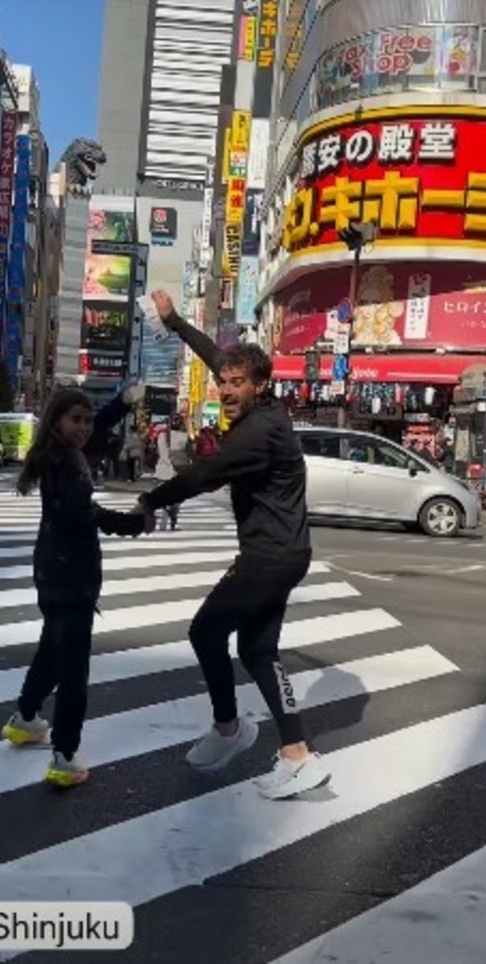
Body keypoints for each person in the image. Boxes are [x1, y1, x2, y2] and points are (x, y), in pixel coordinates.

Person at [134, 290, 331, 800]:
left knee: (205, 632)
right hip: (285, 553)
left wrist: (151, 501)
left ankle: (231, 729)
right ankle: (296, 754)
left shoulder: (257, 433)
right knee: (259, 649)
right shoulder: (265, 412)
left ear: (260, 386)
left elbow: (203, 474)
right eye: (223, 383)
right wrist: (175, 320)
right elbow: (214, 355)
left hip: (268, 557)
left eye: (236, 383)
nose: (225, 389)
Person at [1, 385, 152, 787]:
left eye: (86, 419)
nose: (85, 427)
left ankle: (26, 718)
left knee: (53, 649)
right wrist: (137, 520)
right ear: (57, 422)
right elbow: (87, 516)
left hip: (52, 573)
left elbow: (100, 428)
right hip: (71, 579)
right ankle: (64, 756)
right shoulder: (67, 466)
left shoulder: (62, 454)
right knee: (73, 670)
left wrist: (121, 402)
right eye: (76, 420)